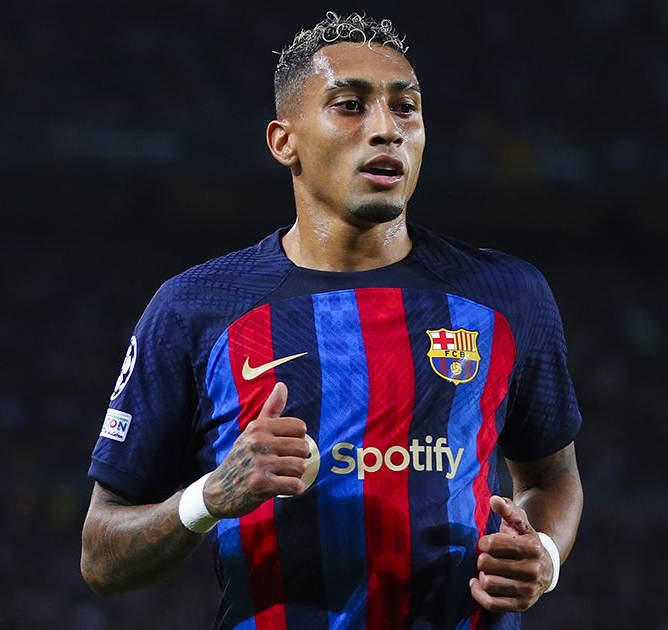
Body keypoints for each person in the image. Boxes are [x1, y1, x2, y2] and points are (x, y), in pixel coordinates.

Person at [80, 12, 583, 629]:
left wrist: (546, 556)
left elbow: (554, 476)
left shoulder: (508, 295)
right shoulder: (196, 308)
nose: (386, 130)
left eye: (406, 109)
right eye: (350, 106)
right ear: (283, 141)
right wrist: (205, 498)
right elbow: (101, 554)